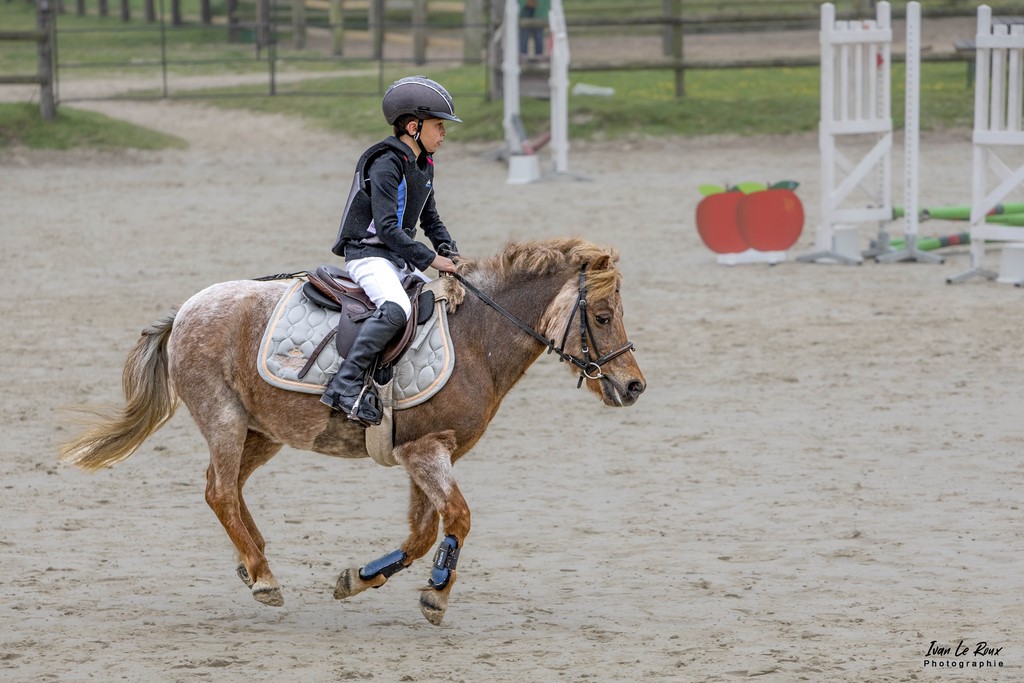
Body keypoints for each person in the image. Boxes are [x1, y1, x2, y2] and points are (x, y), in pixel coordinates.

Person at [321, 75, 461, 424]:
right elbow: (386, 228)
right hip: (368, 256)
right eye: (438, 126)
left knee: (436, 300)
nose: (443, 134)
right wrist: (430, 258)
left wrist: (450, 250)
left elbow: (430, 218)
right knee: (397, 308)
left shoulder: (423, 164)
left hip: (395, 257)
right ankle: (345, 384)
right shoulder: (386, 163)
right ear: (413, 126)